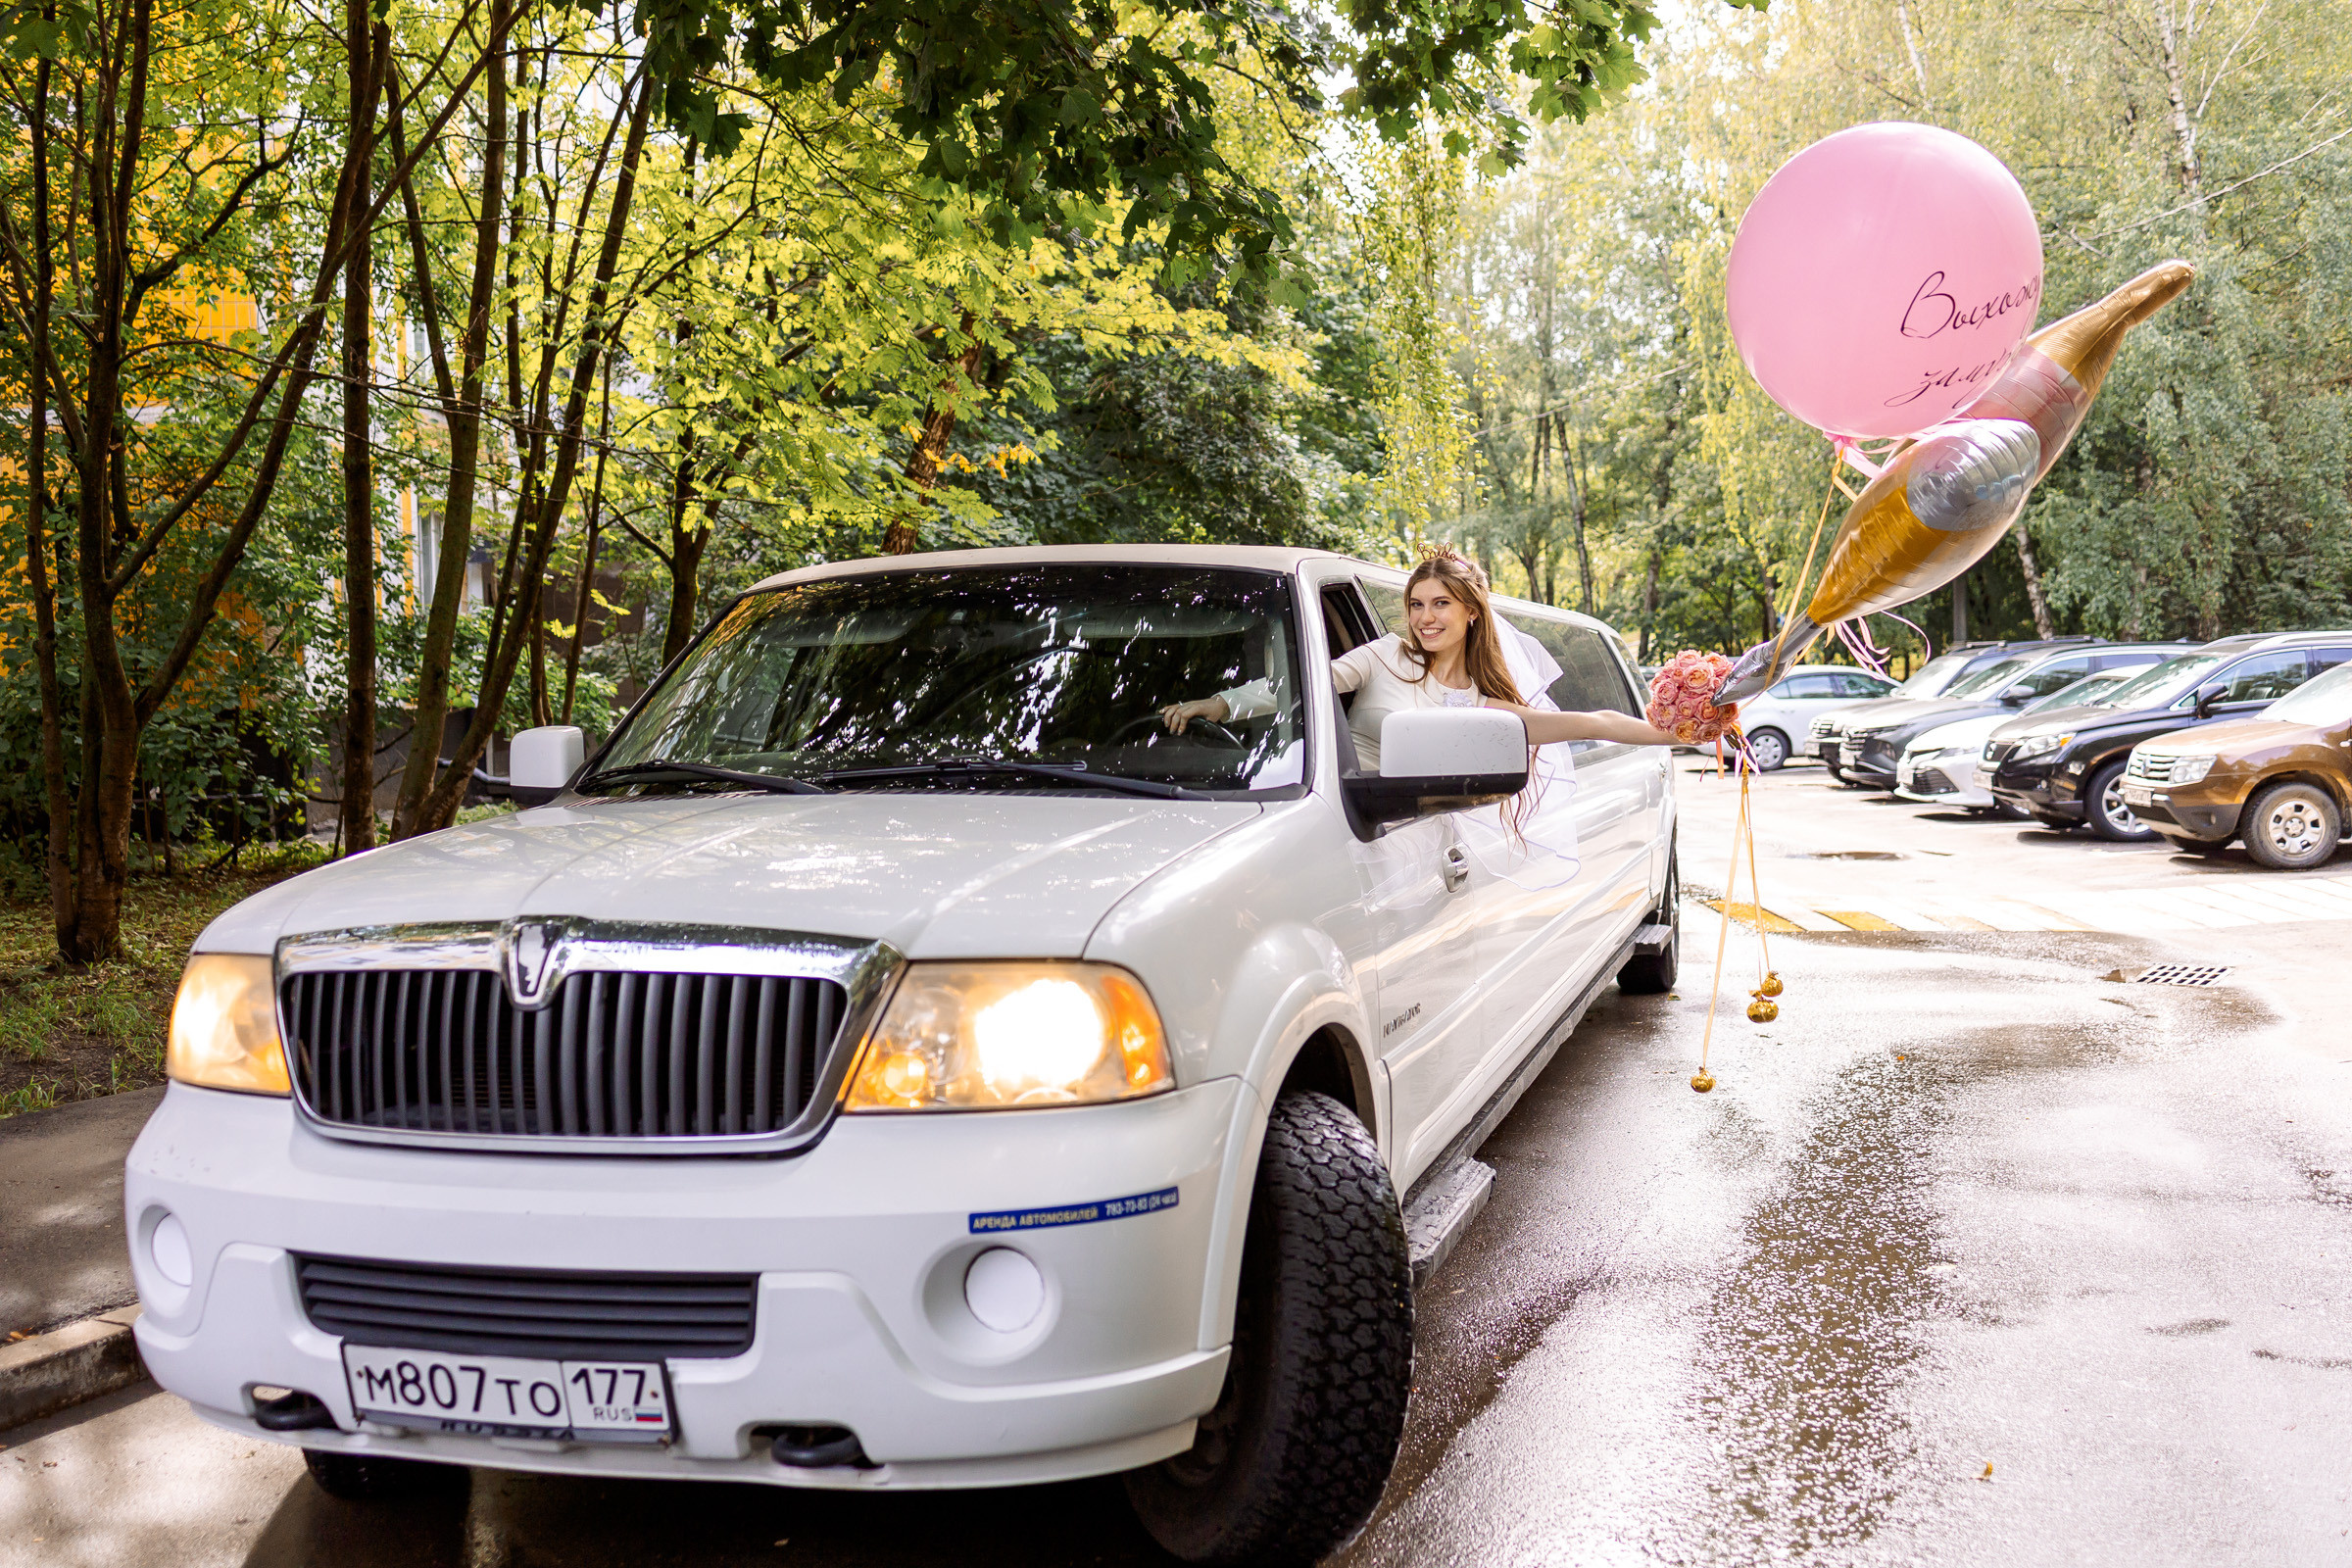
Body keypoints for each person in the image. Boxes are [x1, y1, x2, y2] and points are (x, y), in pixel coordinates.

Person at [1160, 547, 1681, 764]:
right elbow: (1299, 685)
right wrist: (1220, 704)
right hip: (1341, 819)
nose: (1425, 618)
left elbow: (1594, 722)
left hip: (1409, 837)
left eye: (1441, 604)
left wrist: (1682, 729)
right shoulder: (1382, 656)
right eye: (1415, 605)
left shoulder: (1483, 705)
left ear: (1472, 612)